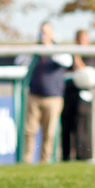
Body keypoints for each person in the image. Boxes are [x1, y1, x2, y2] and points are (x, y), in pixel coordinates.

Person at [20, 22, 73, 164]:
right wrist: (35, 49)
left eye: (46, 32)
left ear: (52, 34)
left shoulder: (59, 50)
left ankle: (45, 160)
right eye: (41, 31)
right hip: (34, 95)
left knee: (49, 133)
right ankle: (26, 161)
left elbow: (67, 61)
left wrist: (47, 47)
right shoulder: (34, 49)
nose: (43, 34)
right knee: (29, 131)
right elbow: (20, 61)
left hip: (53, 97)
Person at [61, 29, 93, 161]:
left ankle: (82, 156)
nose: (81, 41)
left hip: (83, 96)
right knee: (66, 125)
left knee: (81, 127)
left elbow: (82, 69)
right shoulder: (69, 53)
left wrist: (77, 56)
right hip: (69, 94)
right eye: (80, 39)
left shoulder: (90, 54)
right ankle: (66, 156)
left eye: (84, 38)